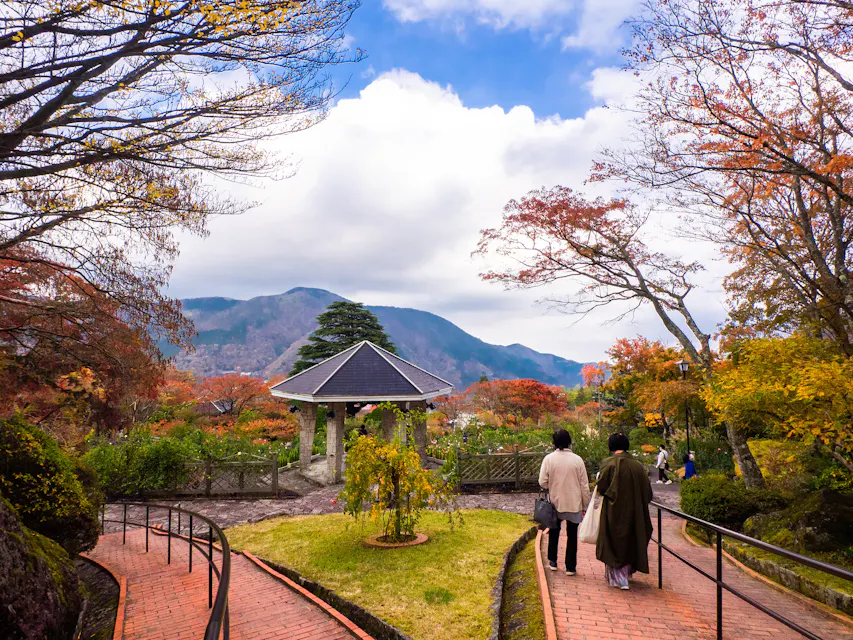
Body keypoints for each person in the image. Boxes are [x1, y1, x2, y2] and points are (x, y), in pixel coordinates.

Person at [596, 432, 653, 590]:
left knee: (614, 541)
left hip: (614, 512)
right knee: (631, 540)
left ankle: (619, 579)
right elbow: (648, 493)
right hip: (636, 512)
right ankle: (627, 574)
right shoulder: (638, 466)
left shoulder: (609, 464)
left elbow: (601, 487)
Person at [538, 429, 591, 576]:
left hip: (555, 502)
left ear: (554, 443)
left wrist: (553, 485)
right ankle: (570, 567)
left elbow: (542, 482)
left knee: (554, 532)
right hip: (574, 503)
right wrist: (584, 505)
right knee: (572, 535)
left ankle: (553, 561)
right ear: (569, 441)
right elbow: (584, 486)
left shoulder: (549, 459)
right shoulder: (577, 460)